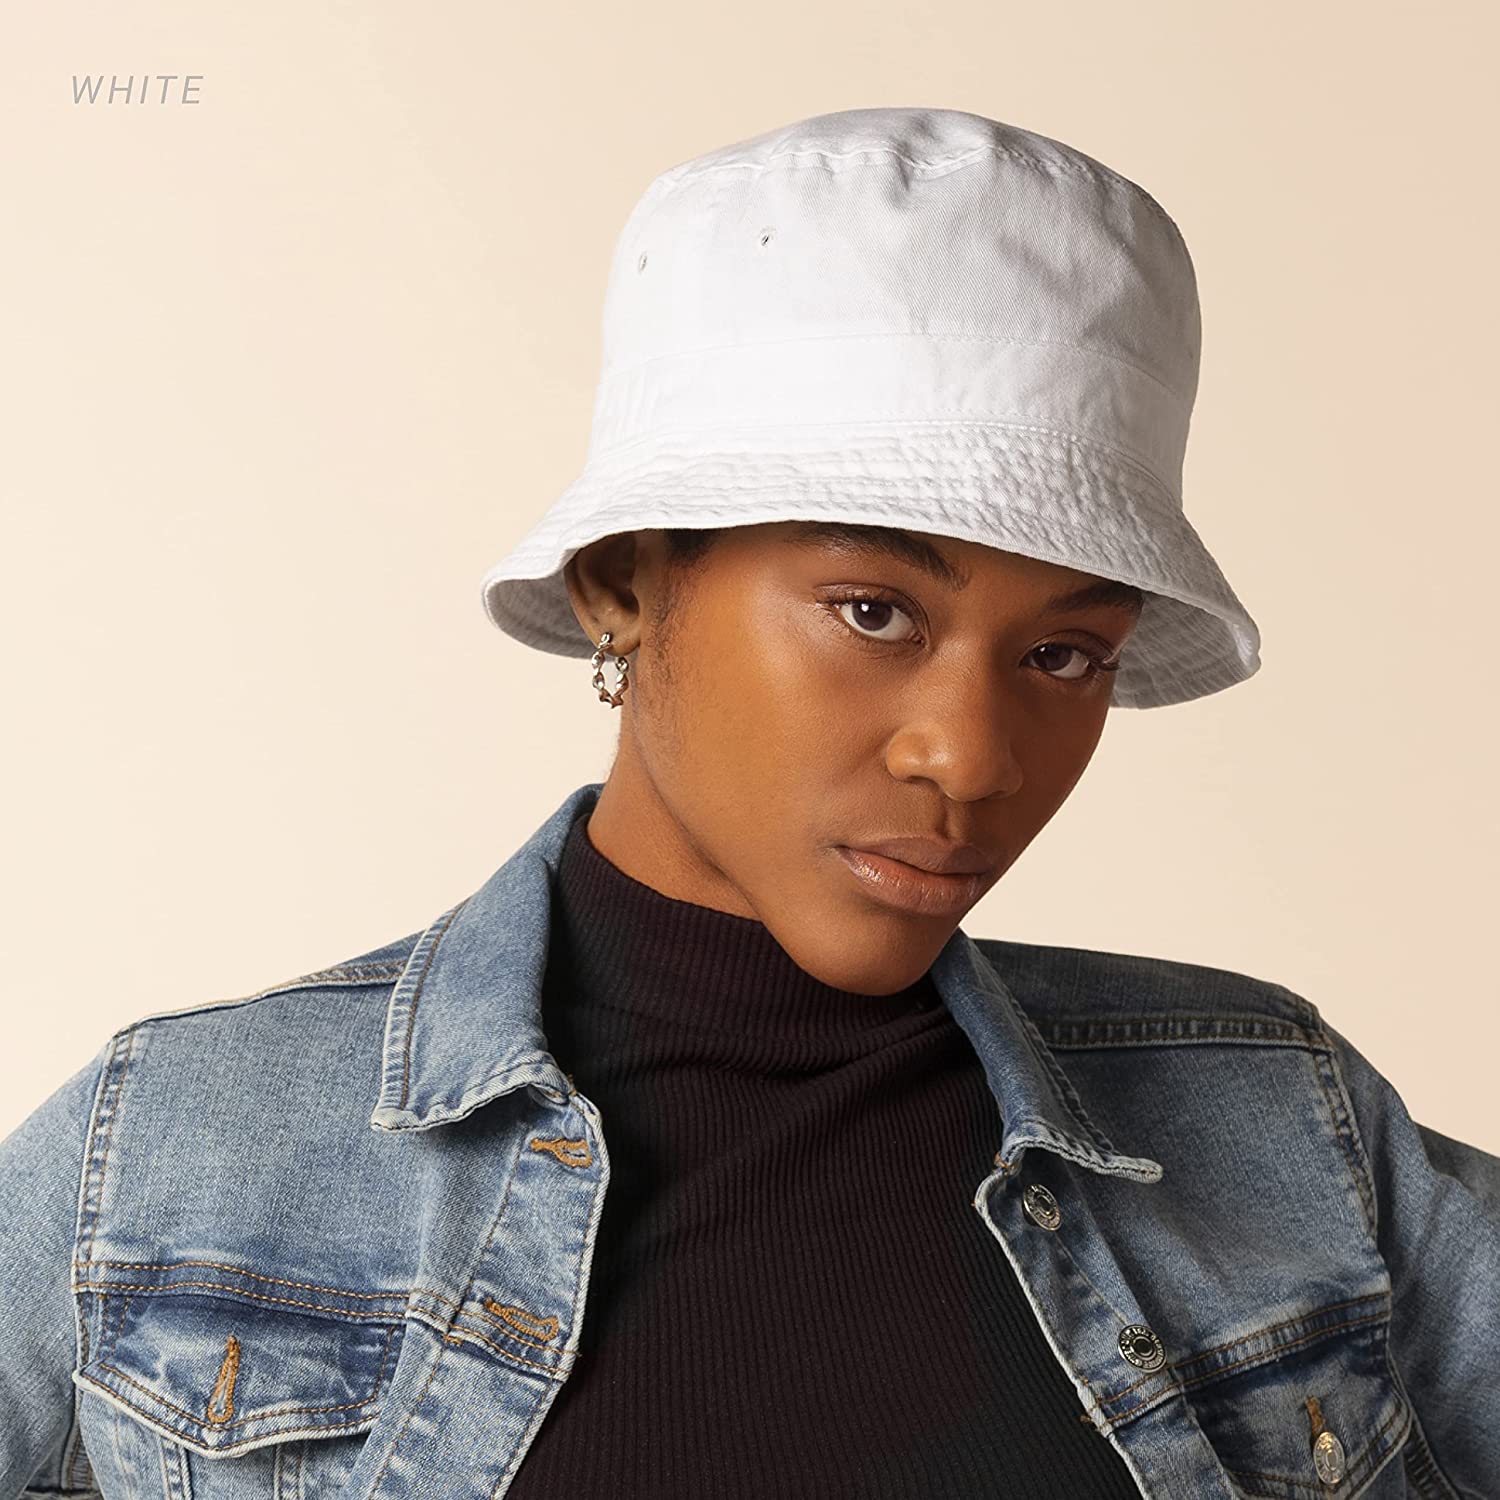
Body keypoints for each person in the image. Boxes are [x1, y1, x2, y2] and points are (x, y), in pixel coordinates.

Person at [2, 106, 1496, 1500]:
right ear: (622, 582)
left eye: (1064, 654)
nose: (971, 759)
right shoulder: (172, 1156)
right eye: (873, 612)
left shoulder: (1280, 1126)